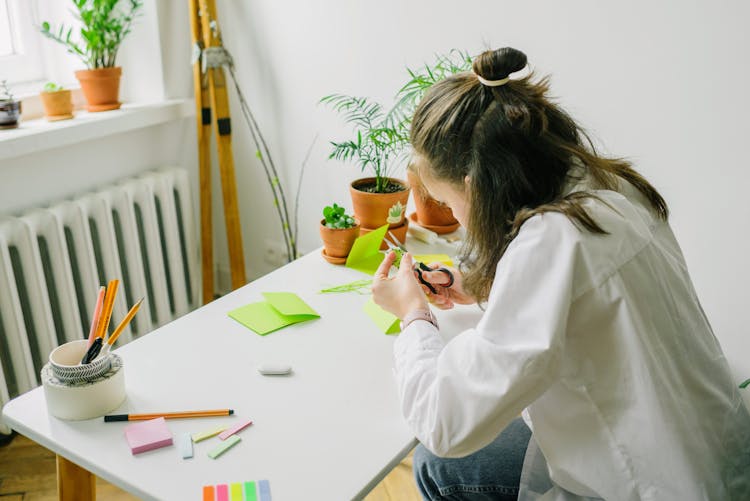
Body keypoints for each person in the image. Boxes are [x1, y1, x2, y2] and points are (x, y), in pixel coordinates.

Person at [371, 47, 750, 500]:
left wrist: (413, 314)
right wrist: (481, 285)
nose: (455, 217)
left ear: (476, 186)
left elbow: (444, 422)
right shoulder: (607, 186)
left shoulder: (550, 242)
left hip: (654, 485)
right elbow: (580, 304)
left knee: (438, 465)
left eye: (449, 204)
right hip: (715, 452)